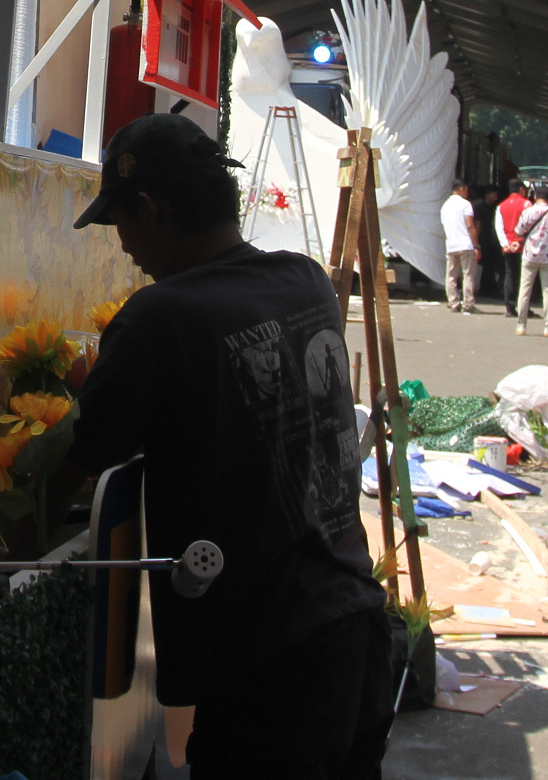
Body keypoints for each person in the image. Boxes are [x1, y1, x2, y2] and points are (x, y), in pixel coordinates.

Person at [68, 115, 393, 778]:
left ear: (151, 210)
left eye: (120, 225)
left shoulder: (160, 316)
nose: (124, 247)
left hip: (268, 676)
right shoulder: (303, 280)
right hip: (355, 633)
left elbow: (88, 454)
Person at [511, 188, 548, 337]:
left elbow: (518, 231)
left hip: (529, 256)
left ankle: (521, 325)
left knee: (525, 290)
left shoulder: (527, 212)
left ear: (534, 197)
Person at [440, 179, 480, 313]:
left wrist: (449, 240)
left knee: (451, 275)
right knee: (468, 275)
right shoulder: (465, 205)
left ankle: (453, 302)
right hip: (466, 244)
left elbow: (444, 228)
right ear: (462, 188)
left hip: (451, 245)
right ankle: (468, 304)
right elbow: (470, 226)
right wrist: (476, 246)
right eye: (466, 190)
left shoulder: (444, 206)